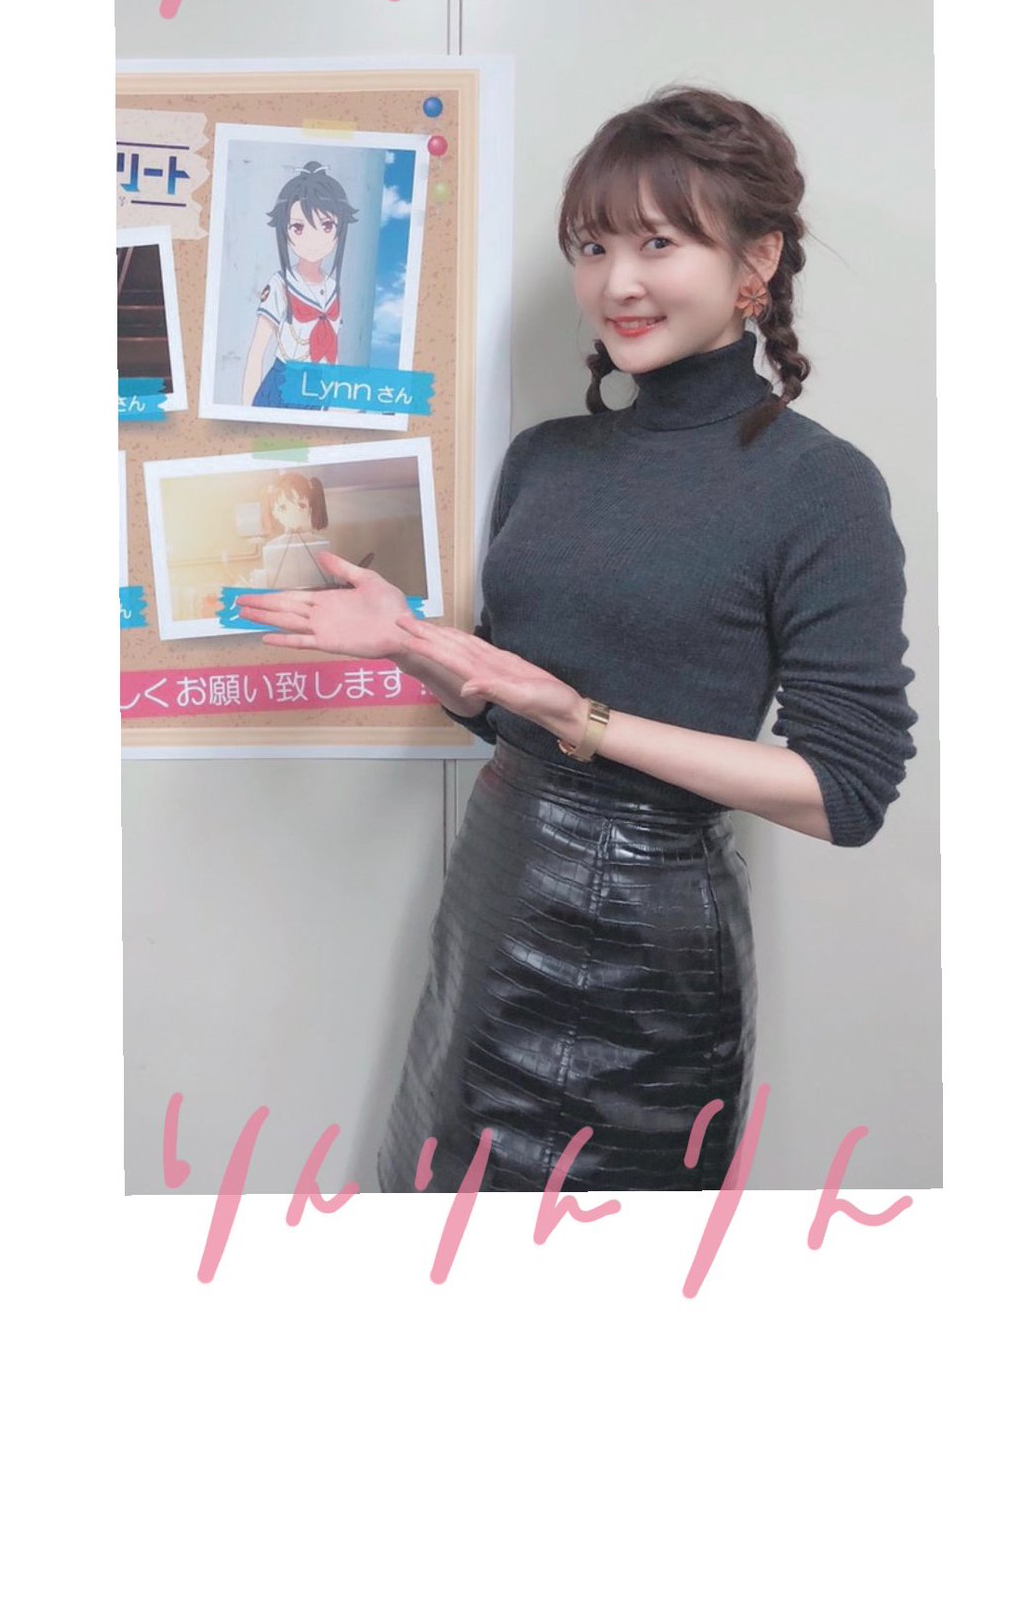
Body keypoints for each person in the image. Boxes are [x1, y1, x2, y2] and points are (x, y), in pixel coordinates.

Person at [235, 86, 919, 1195]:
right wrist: (414, 645)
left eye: (659, 243)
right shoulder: (547, 459)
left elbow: (844, 792)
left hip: (646, 949)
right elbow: (508, 706)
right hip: (493, 895)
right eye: (593, 246)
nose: (616, 283)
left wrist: (580, 718)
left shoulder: (819, 485)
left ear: (756, 259)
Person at [242, 160, 357, 409]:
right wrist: (245, 417)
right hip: (282, 391)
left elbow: (333, 354)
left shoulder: (333, 288)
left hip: (320, 392)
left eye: (326, 226)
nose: (314, 239)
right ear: (284, 230)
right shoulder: (281, 284)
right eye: (299, 227)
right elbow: (257, 353)